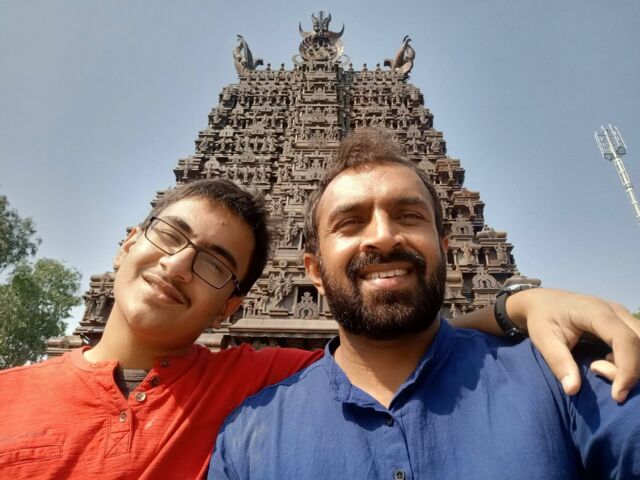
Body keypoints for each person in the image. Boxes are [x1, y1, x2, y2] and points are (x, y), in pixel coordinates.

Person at [0, 179, 636, 479]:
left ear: (231, 308)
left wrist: (515, 307)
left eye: (216, 263)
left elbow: (389, 341)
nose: (177, 266)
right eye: (170, 236)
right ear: (126, 244)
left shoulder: (257, 389)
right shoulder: (10, 394)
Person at [209, 129, 640, 479]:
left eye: (409, 216)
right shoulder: (248, 441)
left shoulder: (564, 377)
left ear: (446, 249)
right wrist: (512, 308)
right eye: (351, 222)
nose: (382, 236)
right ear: (314, 271)